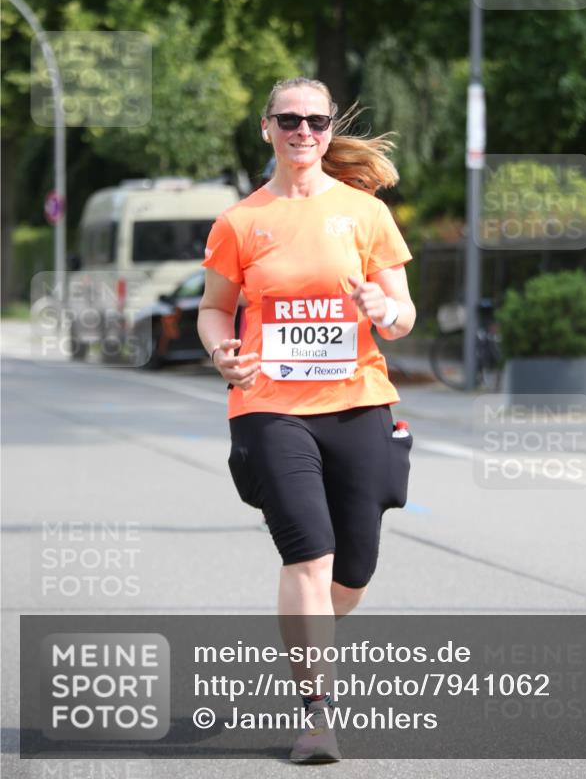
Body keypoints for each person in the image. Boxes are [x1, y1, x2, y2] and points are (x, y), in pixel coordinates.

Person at [197, 76, 416, 764]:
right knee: (308, 554)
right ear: (267, 128)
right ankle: (316, 714)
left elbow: (403, 313)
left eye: (315, 121)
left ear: (327, 131)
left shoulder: (364, 214)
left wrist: (385, 313)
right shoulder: (239, 221)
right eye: (288, 119)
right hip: (269, 408)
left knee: (349, 574)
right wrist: (220, 352)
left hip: (358, 402)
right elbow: (213, 307)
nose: (302, 131)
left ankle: (306, 632)